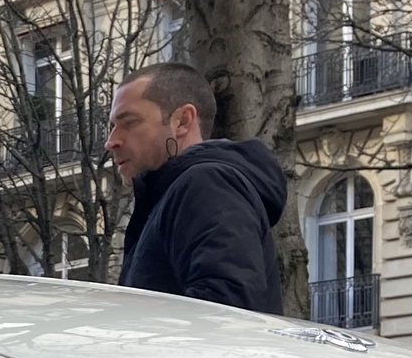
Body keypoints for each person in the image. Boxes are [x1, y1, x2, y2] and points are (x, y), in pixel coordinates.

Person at [105, 63, 288, 313]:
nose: (111, 141)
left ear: (182, 121)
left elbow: (227, 310)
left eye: (129, 122)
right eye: (112, 127)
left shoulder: (207, 183)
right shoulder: (177, 193)